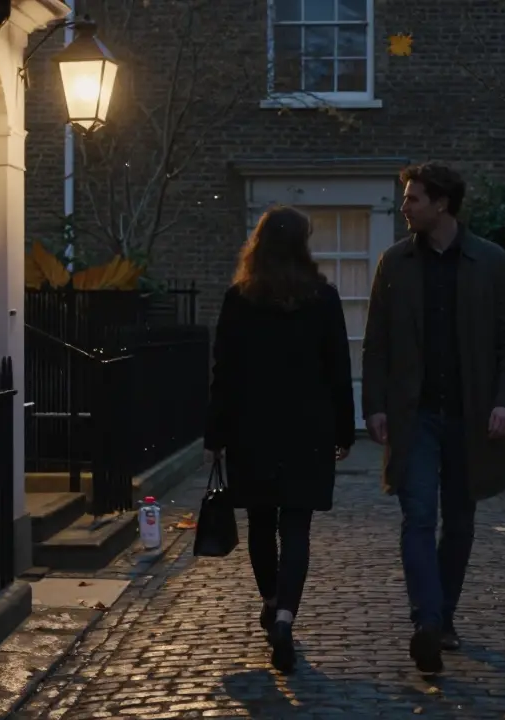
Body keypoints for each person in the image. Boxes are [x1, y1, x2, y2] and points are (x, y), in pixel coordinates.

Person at [361, 162, 505, 674]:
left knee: (459, 522)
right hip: (416, 416)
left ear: (441, 204)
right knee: (417, 517)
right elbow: (378, 342)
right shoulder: (395, 263)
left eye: (414, 199)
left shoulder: (490, 262)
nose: (405, 206)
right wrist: (375, 405)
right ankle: (426, 623)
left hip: (470, 414)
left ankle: (444, 616)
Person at [203, 204, 356, 674]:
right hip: (307, 428)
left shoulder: (239, 298)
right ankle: (287, 616)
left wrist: (217, 432)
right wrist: (344, 428)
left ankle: (270, 601)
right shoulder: (323, 299)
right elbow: (338, 370)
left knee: (260, 524)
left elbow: (223, 373)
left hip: (254, 429)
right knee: (297, 528)